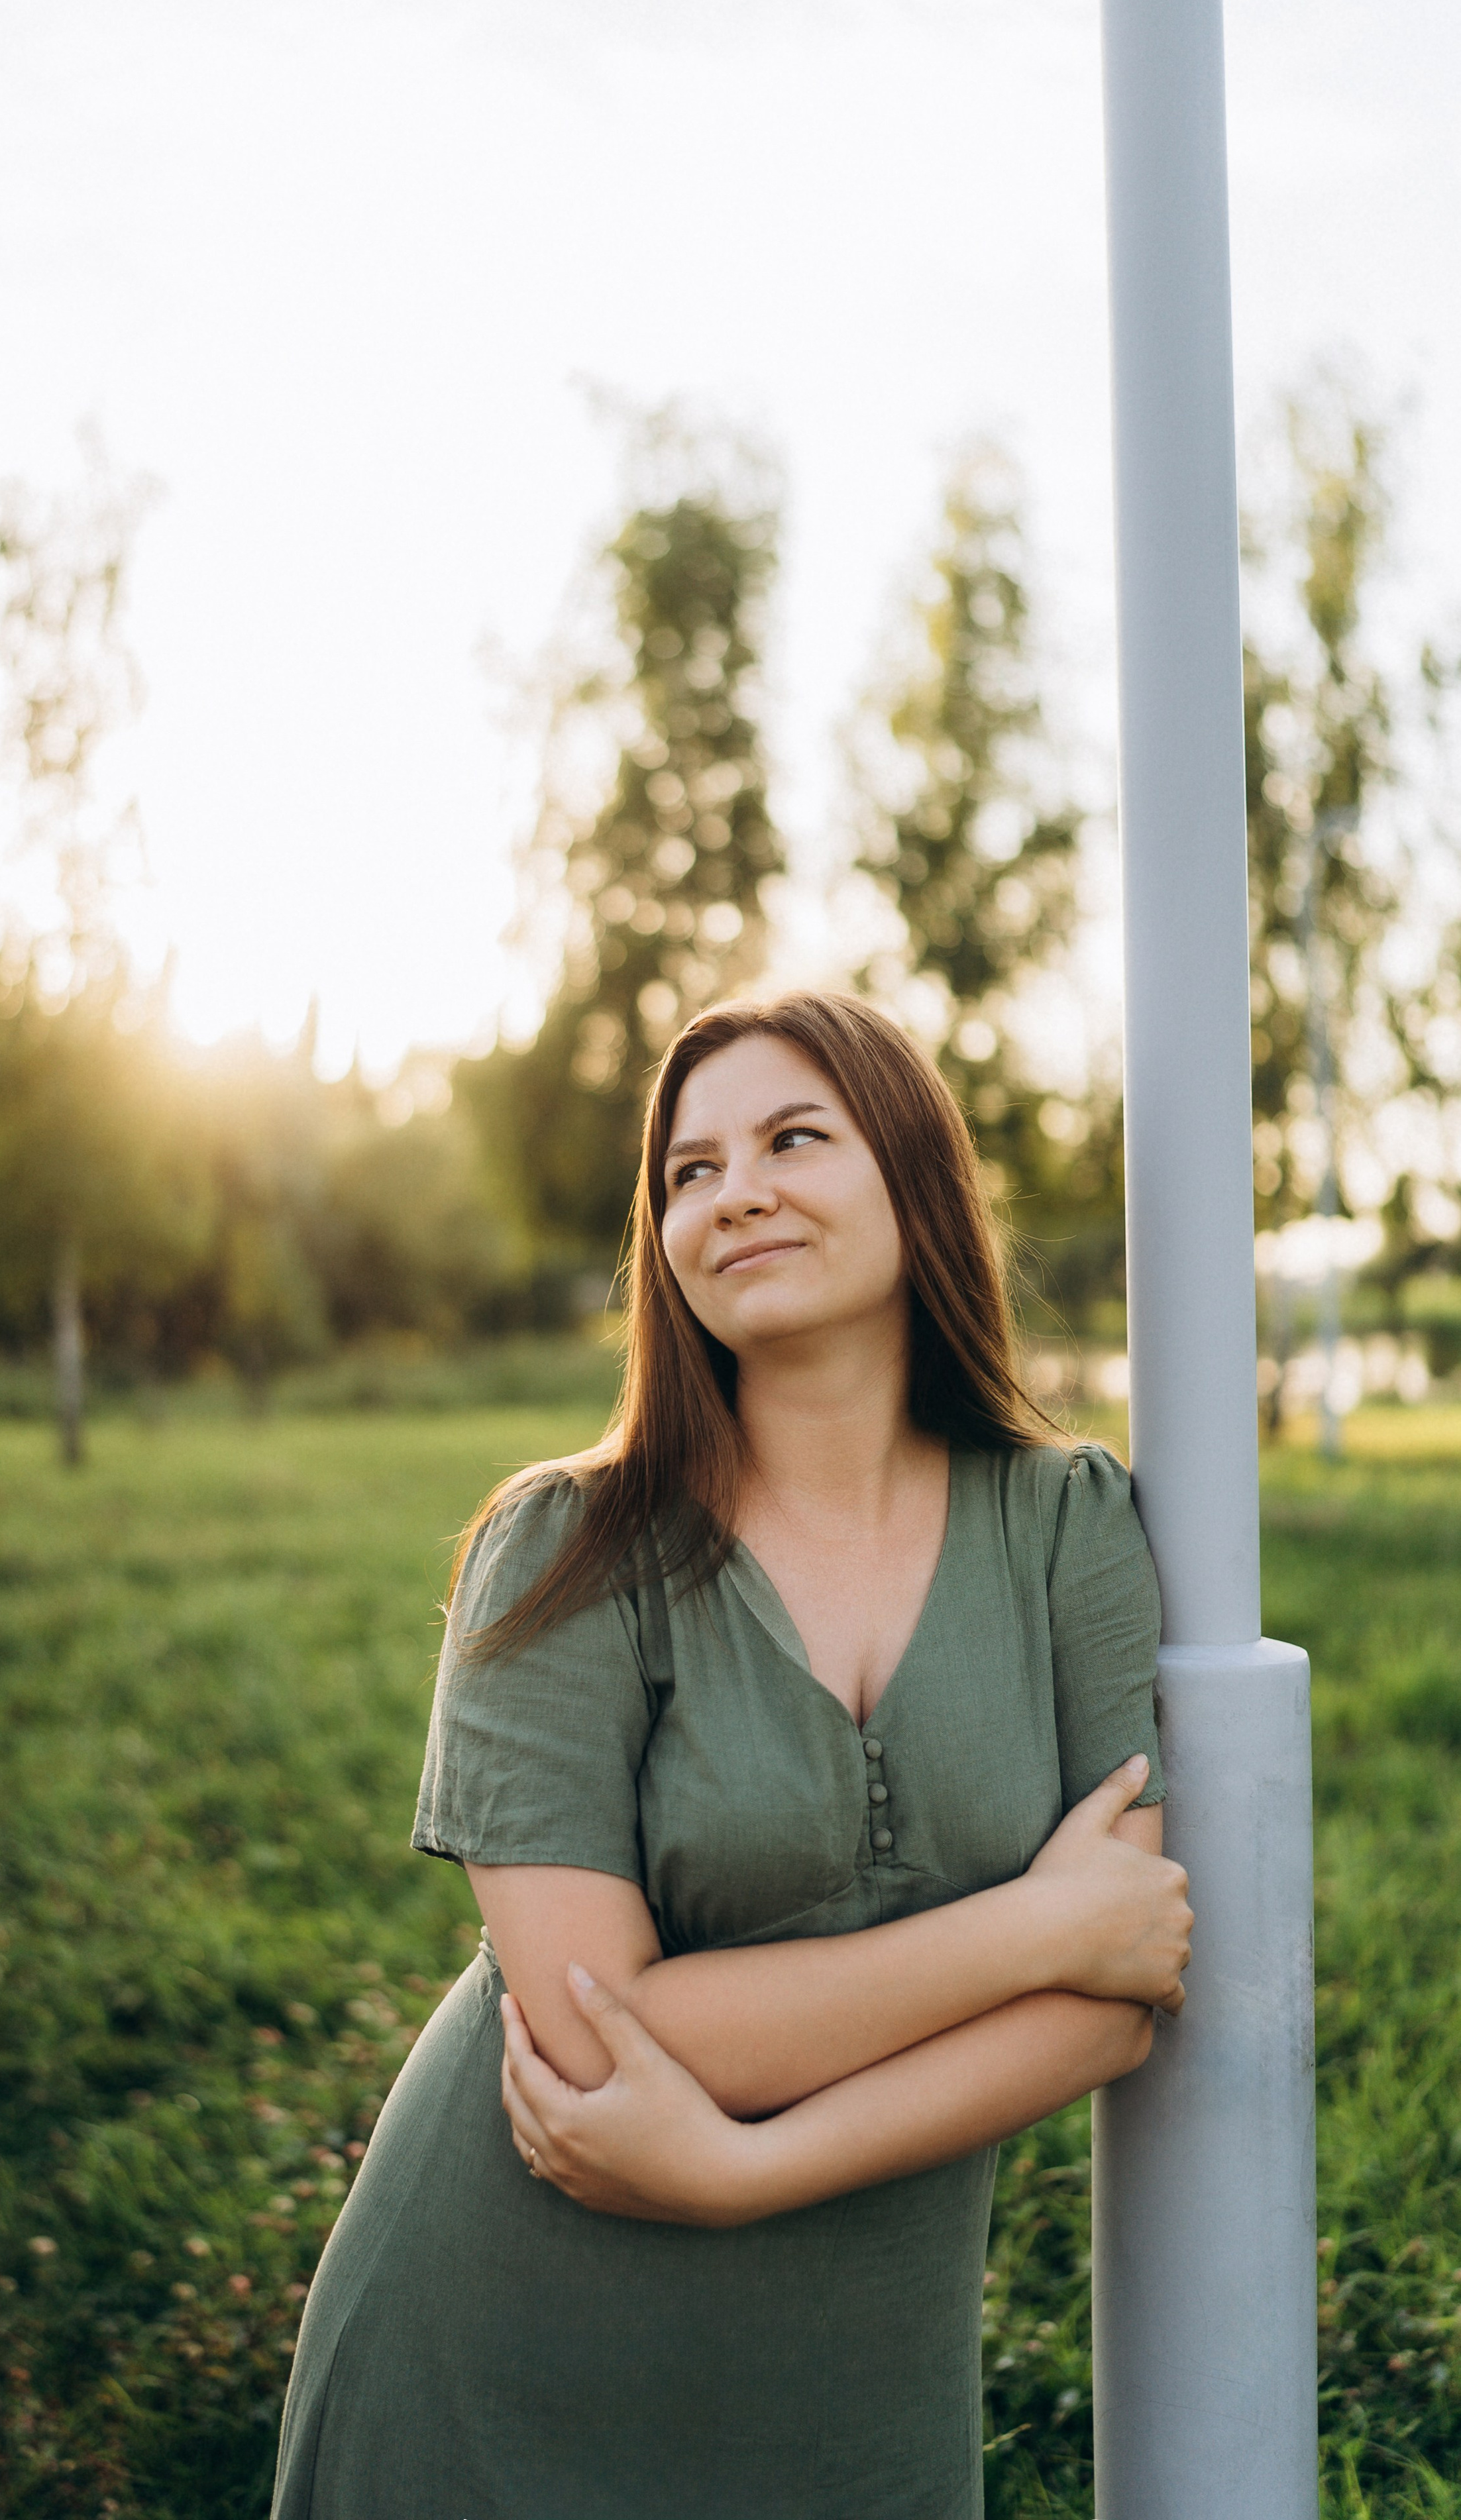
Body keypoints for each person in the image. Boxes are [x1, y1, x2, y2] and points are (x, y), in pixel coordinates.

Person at [271, 991, 1191, 2520]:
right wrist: (1034, 1925)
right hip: (502, 2352)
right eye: (686, 1172)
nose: (734, 1192)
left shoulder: (1067, 1526)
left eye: (789, 1140)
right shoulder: (559, 1548)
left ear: (913, 1176)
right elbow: (597, 2037)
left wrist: (742, 2169)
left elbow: (1112, 2003)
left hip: (857, 2395)